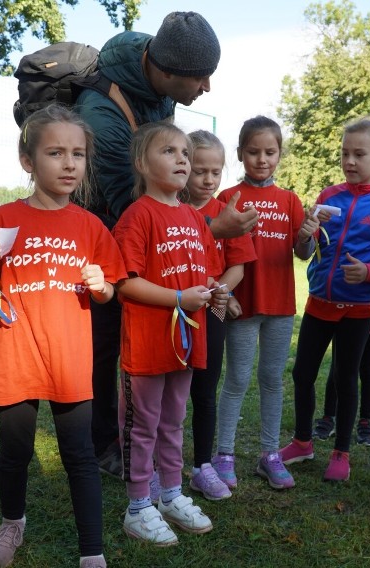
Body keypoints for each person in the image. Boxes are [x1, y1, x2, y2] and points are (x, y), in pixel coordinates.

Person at [74, 11, 258, 477]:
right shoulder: (104, 121)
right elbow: (127, 214)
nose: (207, 88)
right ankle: (108, 445)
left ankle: (150, 442)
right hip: (107, 252)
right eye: (200, 78)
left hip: (151, 250)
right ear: (168, 72)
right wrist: (209, 232)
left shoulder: (156, 68)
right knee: (110, 347)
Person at [0, 105, 125, 568]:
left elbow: (109, 292)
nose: (69, 164)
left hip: (69, 359)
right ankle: (13, 523)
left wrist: (101, 286)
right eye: (55, 152)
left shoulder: (90, 225)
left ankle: (92, 551)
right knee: (15, 450)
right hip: (16, 356)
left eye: (78, 153)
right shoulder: (3, 218)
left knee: (79, 454)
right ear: (28, 161)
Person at [113, 122, 223, 546]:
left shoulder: (195, 218)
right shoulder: (137, 216)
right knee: (144, 425)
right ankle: (139, 504)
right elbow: (126, 284)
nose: (182, 158)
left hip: (186, 343)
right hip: (146, 344)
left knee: (173, 421)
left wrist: (217, 293)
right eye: (169, 151)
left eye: (185, 152)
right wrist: (179, 298)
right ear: (142, 163)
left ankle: (172, 494)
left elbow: (206, 271)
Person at [279, 117, 370, 482]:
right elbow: (304, 252)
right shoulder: (327, 197)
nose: (349, 161)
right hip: (319, 303)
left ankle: (341, 452)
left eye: (359, 154)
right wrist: (303, 235)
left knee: (346, 378)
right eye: (345, 153)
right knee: (303, 374)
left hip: (359, 310)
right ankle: (302, 442)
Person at [212, 116, 316, 491]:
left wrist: (306, 237)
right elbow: (214, 252)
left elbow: (302, 252)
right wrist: (229, 295)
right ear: (240, 154)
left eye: (269, 152)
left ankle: (269, 455)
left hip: (280, 307)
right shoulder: (228, 198)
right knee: (237, 378)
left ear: (279, 155)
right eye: (253, 152)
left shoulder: (290, 200)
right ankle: (224, 454)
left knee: (272, 379)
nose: (261, 159)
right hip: (241, 306)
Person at [181, 130, 257, 501]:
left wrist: (220, 293)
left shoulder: (228, 214)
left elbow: (238, 266)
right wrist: (211, 287)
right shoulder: (168, 210)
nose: (208, 180)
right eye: (199, 171)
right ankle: (158, 466)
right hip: (175, 311)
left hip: (213, 313)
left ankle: (201, 466)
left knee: (205, 390)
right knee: (169, 395)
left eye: (215, 172)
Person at [313, 180, 370, 448]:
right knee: (340, 369)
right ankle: (328, 417)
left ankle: (365, 422)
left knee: (368, 371)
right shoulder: (348, 220)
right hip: (346, 313)